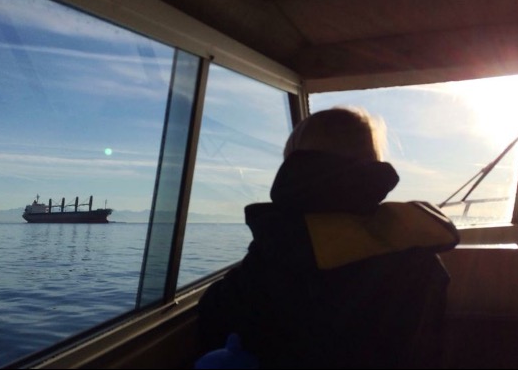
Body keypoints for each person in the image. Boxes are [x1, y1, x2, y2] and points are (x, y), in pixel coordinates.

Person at [196, 107, 459, 369]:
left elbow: (216, 314)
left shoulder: (281, 246)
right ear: (372, 164)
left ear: (295, 164)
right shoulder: (418, 254)